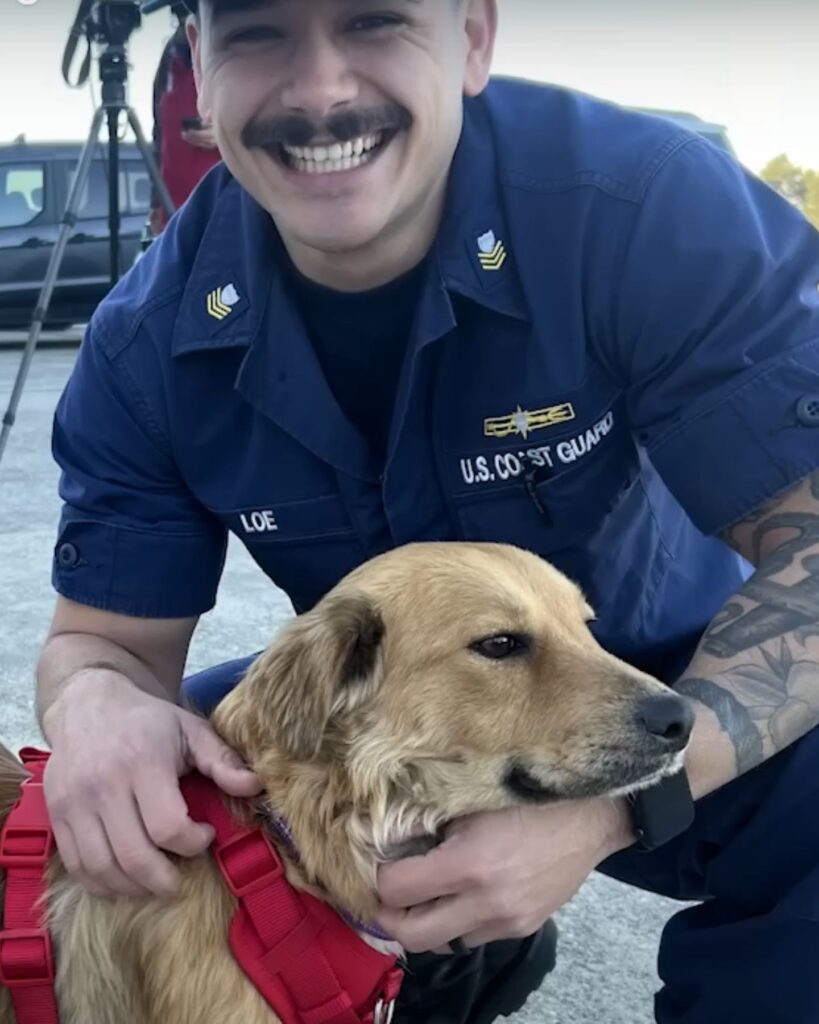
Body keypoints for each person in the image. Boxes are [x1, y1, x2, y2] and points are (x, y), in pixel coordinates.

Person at [36, 1, 819, 1022]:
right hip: (412, 694)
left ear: (474, 38)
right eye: (258, 33)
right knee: (185, 790)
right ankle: (415, 976)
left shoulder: (643, 207)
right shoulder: (147, 337)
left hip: (697, 694)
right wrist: (94, 701)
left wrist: (611, 812)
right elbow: (105, 644)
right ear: (201, 67)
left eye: (375, 20)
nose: (319, 92)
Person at [148, 1, 221, 234]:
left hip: (223, 209)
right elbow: (159, 135)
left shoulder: (233, 49)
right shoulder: (171, 55)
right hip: (173, 210)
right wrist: (155, 201)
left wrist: (225, 133)